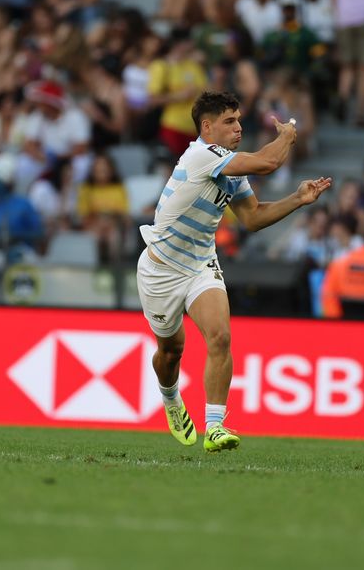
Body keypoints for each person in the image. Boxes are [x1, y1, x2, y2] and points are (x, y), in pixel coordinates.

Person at [137, 91, 332, 452]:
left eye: (239, 120)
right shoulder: (200, 156)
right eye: (229, 121)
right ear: (207, 127)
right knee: (170, 352)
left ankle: (214, 426)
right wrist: (288, 135)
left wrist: (297, 199)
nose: (238, 127)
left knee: (220, 337)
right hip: (161, 270)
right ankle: (171, 398)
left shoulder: (230, 170)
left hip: (200, 264)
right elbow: (268, 162)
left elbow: (252, 218)